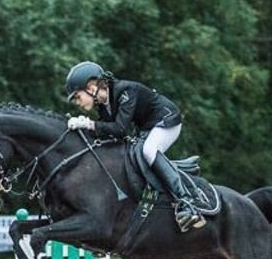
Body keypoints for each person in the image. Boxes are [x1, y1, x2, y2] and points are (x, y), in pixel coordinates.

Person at [65, 61, 205, 232]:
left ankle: (187, 203)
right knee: (130, 156)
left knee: (149, 151)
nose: (78, 102)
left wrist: (88, 124)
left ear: (91, 88)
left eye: (78, 96)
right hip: (147, 128)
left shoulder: (126, 91)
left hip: (167, 120)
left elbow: (120, 130)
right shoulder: (103, 105)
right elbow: (109, 134)